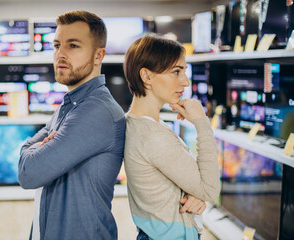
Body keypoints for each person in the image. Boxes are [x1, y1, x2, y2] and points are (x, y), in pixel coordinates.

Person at [18, 10, 126, 240]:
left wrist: (32, 150)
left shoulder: (97, 111)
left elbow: (29, 173)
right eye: (57, 45)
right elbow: (28, 160)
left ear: (99, 55)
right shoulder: (70, 104)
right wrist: (33, 151)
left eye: (73, 45)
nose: (60, 54)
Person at [123, 33, 221, 240]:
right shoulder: (153, 136)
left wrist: (194, 193)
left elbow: (192, 182)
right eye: (176, 72)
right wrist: (201, 123)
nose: (185, 82)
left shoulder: (136, 123)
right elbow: (210, 189)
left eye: (184, 71)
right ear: (146, 77)